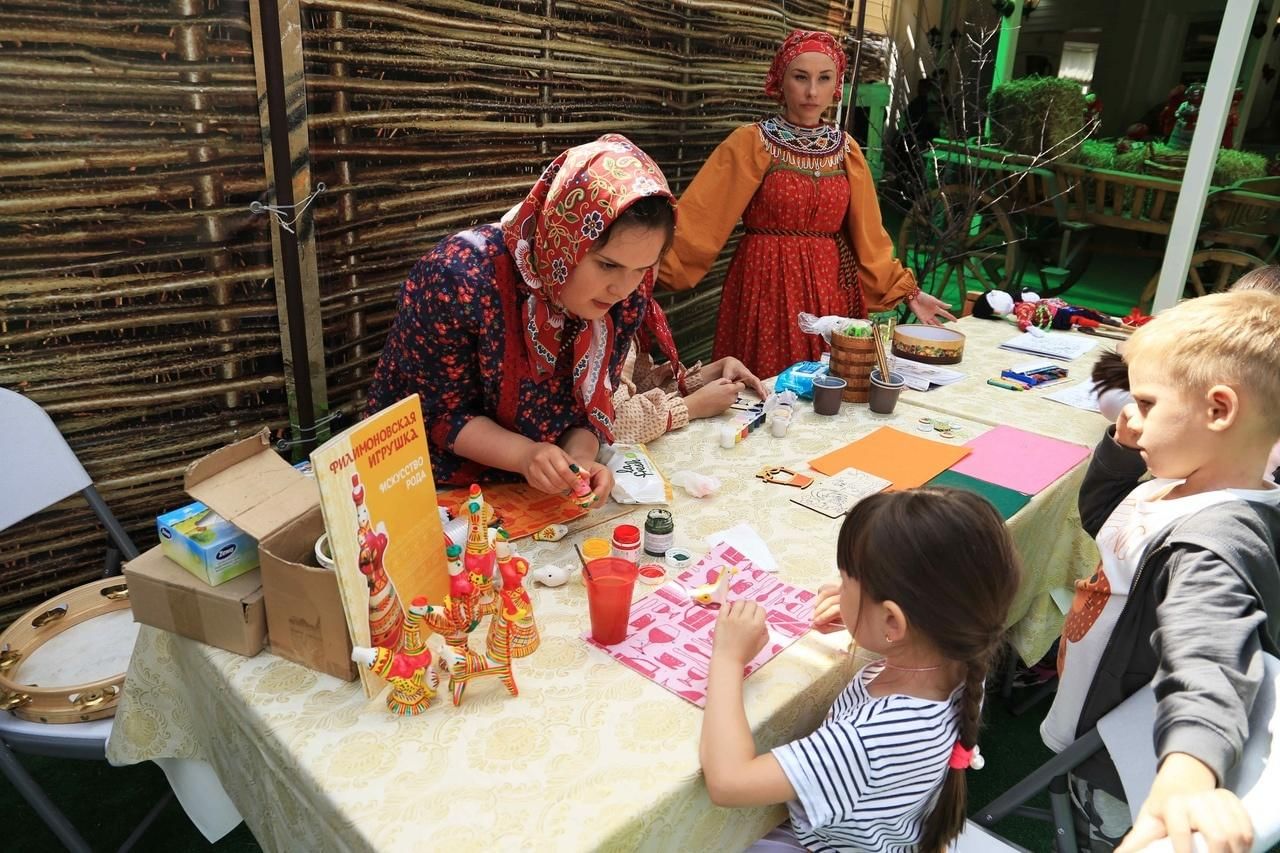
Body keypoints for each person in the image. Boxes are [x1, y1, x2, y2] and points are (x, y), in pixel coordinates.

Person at [1041, 290, 1280, 853]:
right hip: (1094, 711)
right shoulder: (1183, 483)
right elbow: (1111, 524)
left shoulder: (1213, 543)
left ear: (1219, 410)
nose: (1131, 416)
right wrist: (1125, 449)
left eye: (1146, 404)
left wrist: (1190, 771)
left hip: (1124, 764)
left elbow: (1211, 651)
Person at [701, 488, 1020, 852]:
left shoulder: (870, 738)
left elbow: (728, 782)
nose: (839, 590)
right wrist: (865, 622)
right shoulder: (963, 660)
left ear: (893, 621)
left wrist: (727, 658)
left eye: (847, 583)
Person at [367, 134, 677, 501]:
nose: (621, 289)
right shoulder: (458, 278)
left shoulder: (626, 296)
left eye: (641, 268)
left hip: (537, 488)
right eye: (607, 264)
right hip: (429, 485)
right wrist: (525, 455)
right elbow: (437, 415)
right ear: (564, 239)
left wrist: (577, 463)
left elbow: (589, 408)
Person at [657, 29, 955, 379]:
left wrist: (909, 293)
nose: (812, 92)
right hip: (764, 282)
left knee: (826, 384)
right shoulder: (752, 143)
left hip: (830, 287)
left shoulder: (847, 151)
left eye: (824, 78)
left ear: (837, 85)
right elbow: (700, 221)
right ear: (780, 82)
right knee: (764, 384)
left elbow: (869, 236)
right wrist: (644, 266)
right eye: (801, 78)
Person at [610, 344, 766, 444]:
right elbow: (611, 424)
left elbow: (638, 385)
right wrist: (693, 405)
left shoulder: (628, 309)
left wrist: (708, 374)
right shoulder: (610, 315)